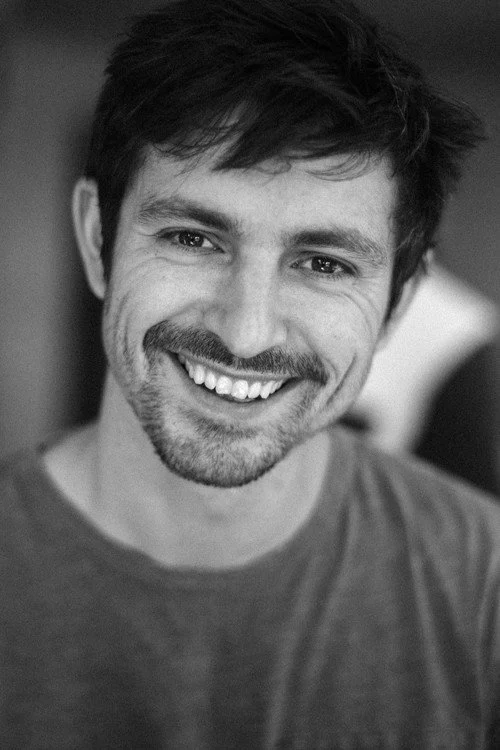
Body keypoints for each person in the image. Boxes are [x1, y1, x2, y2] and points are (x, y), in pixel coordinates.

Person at [0, 0, 498, 747]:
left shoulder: (485, 591)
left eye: (323, 264)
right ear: (98, 239)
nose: (245, 332)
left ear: (397, 304)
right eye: (193, 238)